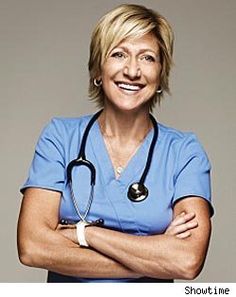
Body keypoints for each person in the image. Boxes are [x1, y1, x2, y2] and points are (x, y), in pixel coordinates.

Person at [17, 4, 213, 283]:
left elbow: (186, 260)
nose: (133, 71)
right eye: (119, 54)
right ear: (98, 69)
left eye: (147, 58)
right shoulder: (60, 137)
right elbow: (32, 247)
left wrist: (84, 233)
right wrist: (155, 258)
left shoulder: (184, 152)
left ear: (160, 75)